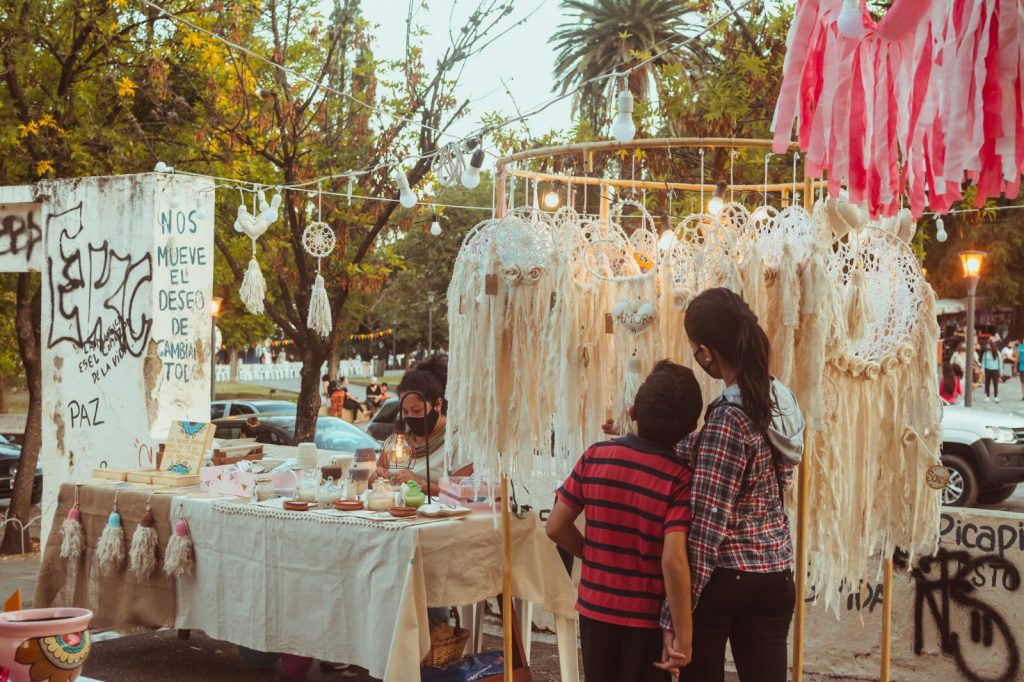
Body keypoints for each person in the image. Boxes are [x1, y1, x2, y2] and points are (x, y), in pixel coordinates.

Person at [662, 288, 804, 681]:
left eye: (694, 348)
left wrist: (674, 615)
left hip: (727, 577)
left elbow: (706, 530)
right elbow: (774, 475)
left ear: (707, 352)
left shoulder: (728, 418)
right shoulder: (780, 400)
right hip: (775, 574)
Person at [547, 360, 703, 682]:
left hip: (595, 609)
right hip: (645, 620)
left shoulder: (595, 456)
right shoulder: (679, 479)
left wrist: (590, 553)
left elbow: (556, 526)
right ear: (690, 430)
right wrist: (684, 636)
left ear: (632, 412)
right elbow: (673, 561)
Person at [374, 356, 471, 496]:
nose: (410, 417)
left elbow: (463, 493)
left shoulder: (460, 442)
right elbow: (376, 474)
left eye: (416, 411)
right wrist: (377, 477)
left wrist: (420, 483)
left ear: (438, 404)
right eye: (405, 411)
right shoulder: (399, 441)